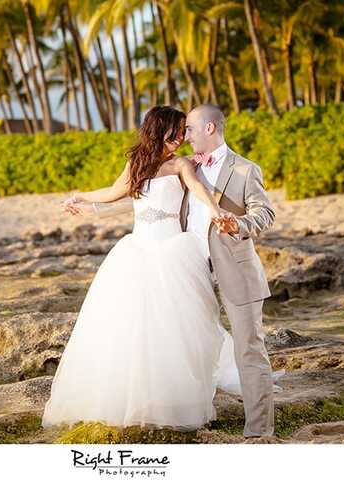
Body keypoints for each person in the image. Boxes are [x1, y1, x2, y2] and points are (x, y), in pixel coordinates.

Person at [61, 103, 282, 437]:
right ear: (159, 129)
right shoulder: (150, 162)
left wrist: (228, 219)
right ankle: (157, 400)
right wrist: (85, 201)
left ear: (208, 128)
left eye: (188, 129)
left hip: (215, 263)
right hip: (172, 259)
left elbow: (229, 201)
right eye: (179, 131)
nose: (183, 136)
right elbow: (128, 195)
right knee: (160, 334)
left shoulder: (233, 169)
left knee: (245, 346)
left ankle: (259, 433)